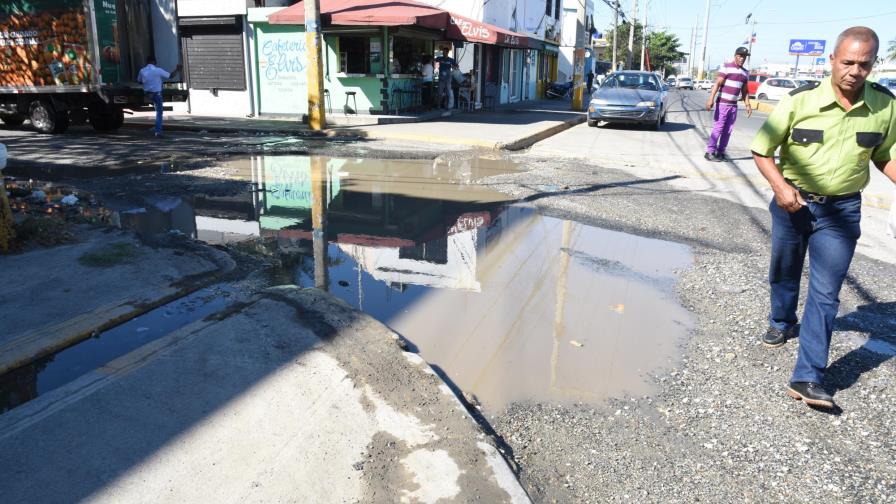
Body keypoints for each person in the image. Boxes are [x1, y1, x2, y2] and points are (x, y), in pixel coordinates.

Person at [749, 26, 896, 409]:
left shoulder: (885, 105)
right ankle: (781, 321)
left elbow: (885, 156)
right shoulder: (800, 102)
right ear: (832, 60)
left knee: (826, 293)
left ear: (873, 65)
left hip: (842, 212)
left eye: (864, 64)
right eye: (847, 62)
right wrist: (780, 188)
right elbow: (762, 149)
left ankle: (808, 376)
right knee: (785, 268)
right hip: (792, 203)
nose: (854, 71)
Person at [705, 47, 753, 161]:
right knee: (718, 128)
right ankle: (710, 152)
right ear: (735, 55)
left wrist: (748, 105)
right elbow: (717, 84)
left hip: (733, 106)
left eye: (744, 57)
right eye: (740, 56)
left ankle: (720, 152)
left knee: (728, 130)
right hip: (722, 104)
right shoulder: (726, 67)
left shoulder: (745, 73)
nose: (742, 58)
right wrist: (710, 99)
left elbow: (745, 91)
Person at [137, 56, 181, 138]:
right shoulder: (158, 70)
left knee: (157, 109)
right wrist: (177, 70)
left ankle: (156, 127)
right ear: (154, 62)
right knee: (159, 113)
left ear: (147, 62)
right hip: (156, 94)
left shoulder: (142, 70)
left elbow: (139, 81)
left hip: (147, 94)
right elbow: (171, 76)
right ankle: (158, 131)